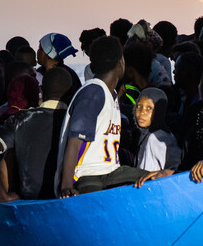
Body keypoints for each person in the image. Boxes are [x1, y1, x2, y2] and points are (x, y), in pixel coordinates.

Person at [56, 37, 148, 197]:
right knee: (97, 197)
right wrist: (66, 186)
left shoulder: (112, 94)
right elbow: (74, 142)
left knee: (155, 177)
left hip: (111, 171)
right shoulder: (93, 92)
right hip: (86, 175)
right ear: (121, 62)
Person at [0, 67, 73, 204]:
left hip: (29, 201)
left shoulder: (21, 119)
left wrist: (2, 195)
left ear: (41, 90)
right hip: (65, 198)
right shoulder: (75, 122)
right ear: (71, 94)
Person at [131, 88, 181, 172]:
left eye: (149, 108)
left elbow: (175, 165)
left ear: (159, 111)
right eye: (139, 106)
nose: (142, 112)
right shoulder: (145, 135)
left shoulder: (157, 137)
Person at [36, 32, 82, 97]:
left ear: (48, 52)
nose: (37, 52)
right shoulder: (69, 73)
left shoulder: (64, 75)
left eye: (40, 48)